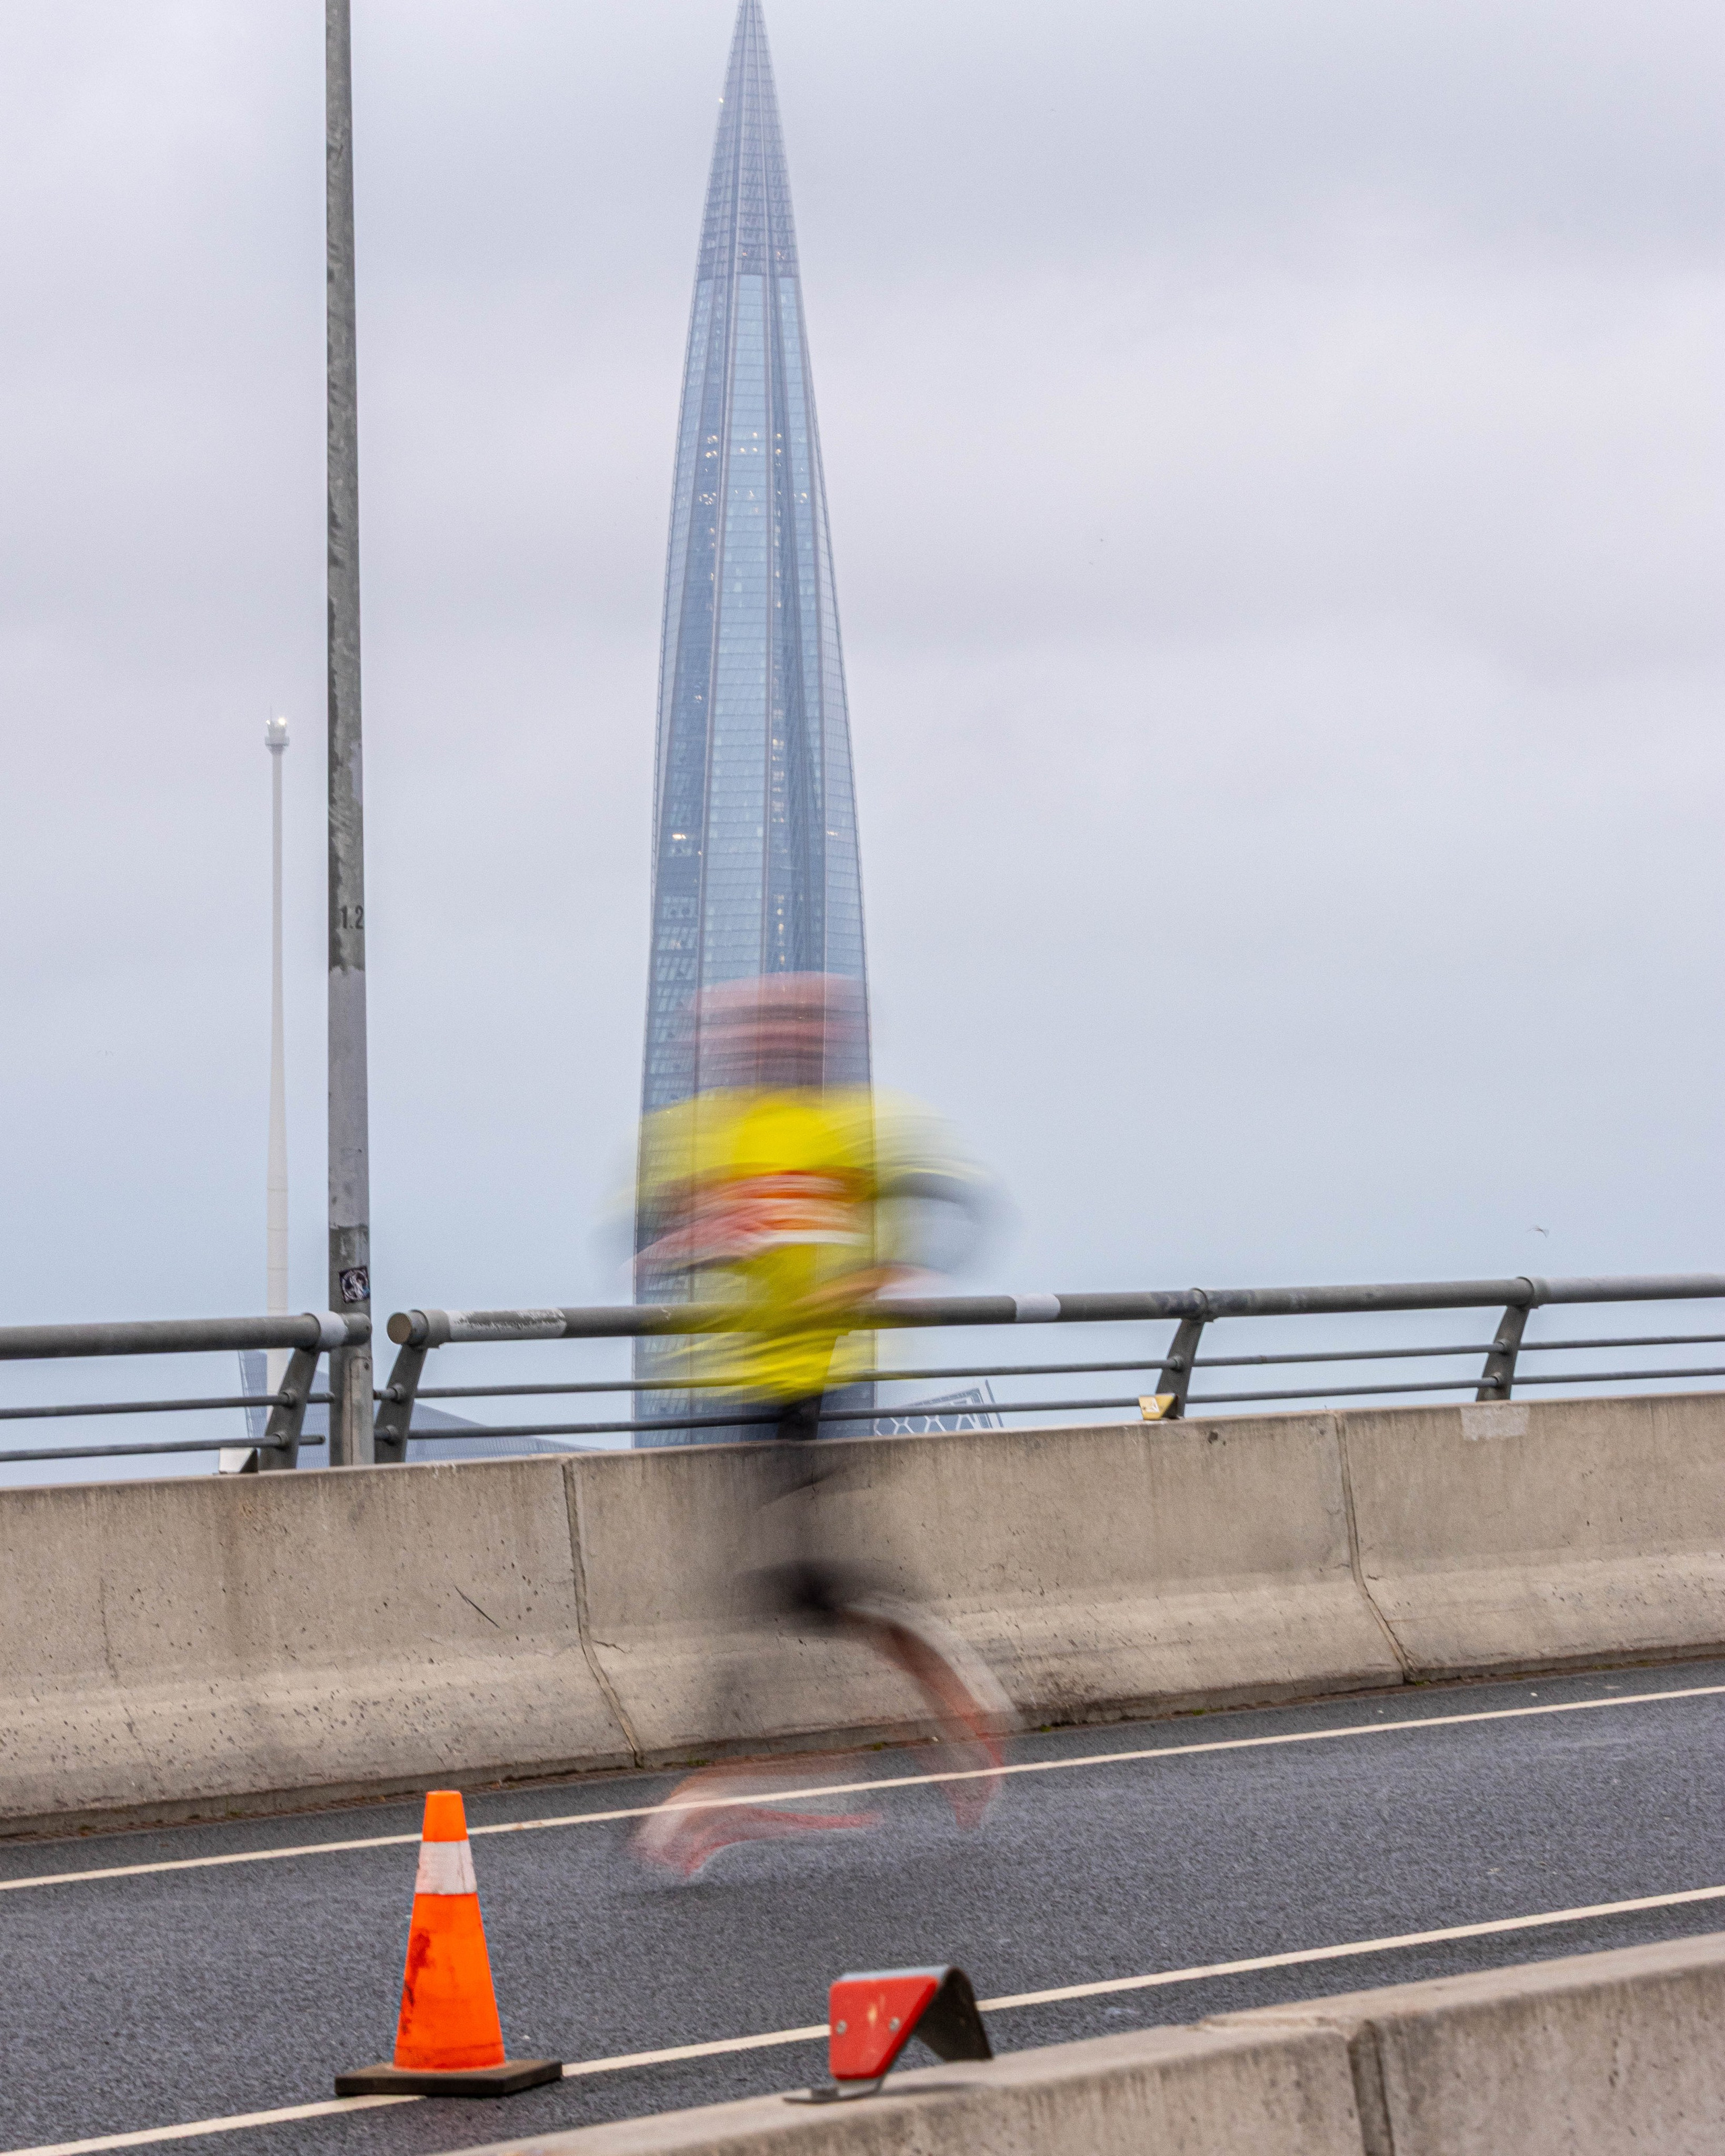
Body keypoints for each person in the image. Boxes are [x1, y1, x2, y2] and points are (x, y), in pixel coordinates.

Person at [629, 973, 1013, 1877]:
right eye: (759, 1028)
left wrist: (877, 1273)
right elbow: (655, 1224)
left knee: (800, 1594)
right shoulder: (708, 1133)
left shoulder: (854, 1130)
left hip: (812, 1389)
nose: (775, 1042)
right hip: (737, 1391)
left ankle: (754, 1789)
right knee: (784, 1598)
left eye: (797, 1025)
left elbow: (957, 1206)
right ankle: (912, 1721)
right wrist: (690, 1235)